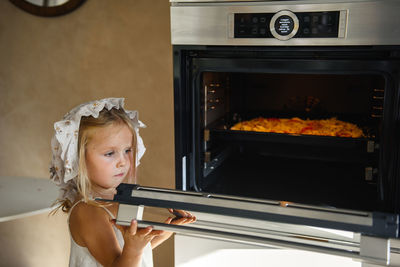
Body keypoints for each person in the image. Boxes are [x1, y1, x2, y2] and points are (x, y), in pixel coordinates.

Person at [50, 98, 196, 267]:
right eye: (110, 153)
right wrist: (134, 248)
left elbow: (124, 252)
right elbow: (122, 260)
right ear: (78, 159)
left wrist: (161, 234)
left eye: (127, 150)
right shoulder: (88, 211)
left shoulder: (116, 198)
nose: (123, 162)